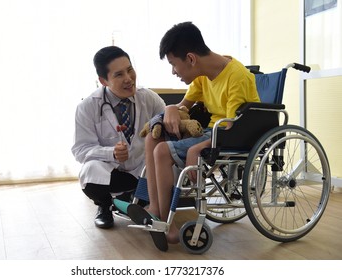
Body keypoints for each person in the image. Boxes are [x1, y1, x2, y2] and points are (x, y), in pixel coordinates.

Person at [144, 22, 260, 244]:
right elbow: (183, 105)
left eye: (173, 64)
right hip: (212, 131)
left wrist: (198, 148)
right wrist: (170, 109)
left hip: (232, 133)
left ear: (190, 58)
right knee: (153, 137)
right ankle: (156, 207)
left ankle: (168, 224)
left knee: (161, 152)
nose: (173, 71)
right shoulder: (202, 74)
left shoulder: (238, 77)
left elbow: (233, 127)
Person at [72, 46, 166, 229]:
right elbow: (80, 150)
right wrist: (111, 153)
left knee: (163, 167)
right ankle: (105, 207)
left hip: (142, 168)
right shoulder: (87, 107)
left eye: (130, 70)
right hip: (111, 171)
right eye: (119, 75)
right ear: (103, 81)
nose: (129, 79)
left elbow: (167, 126)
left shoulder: (149, 99)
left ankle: (128, 200)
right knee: (90, 172)